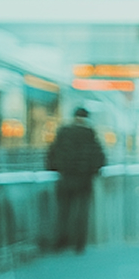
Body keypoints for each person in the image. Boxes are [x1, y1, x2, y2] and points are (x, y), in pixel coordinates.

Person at [44, 107, 106, 253]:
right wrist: (92, 171)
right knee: (81, 211)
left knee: (63, 211)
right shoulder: (90, 134)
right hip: (84, 180)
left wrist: (56, 169)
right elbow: (99, 157)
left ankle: (61, 241)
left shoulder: (63, 132)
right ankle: (79, 244)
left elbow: (52, 153)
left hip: (65, 178)